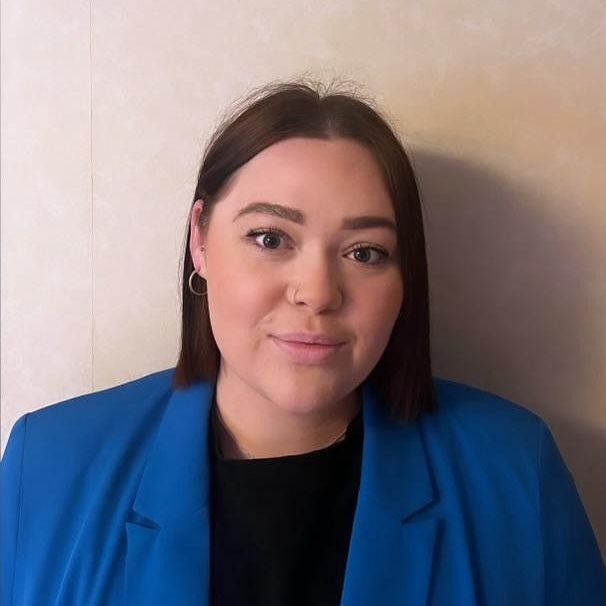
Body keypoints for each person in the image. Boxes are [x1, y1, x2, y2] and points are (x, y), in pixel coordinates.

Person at [1, 79, 605, 606]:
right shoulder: (47, 466)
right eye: (270, 238)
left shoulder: (513, 471)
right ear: (201, 242)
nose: (317, 293)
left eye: (364, 252)